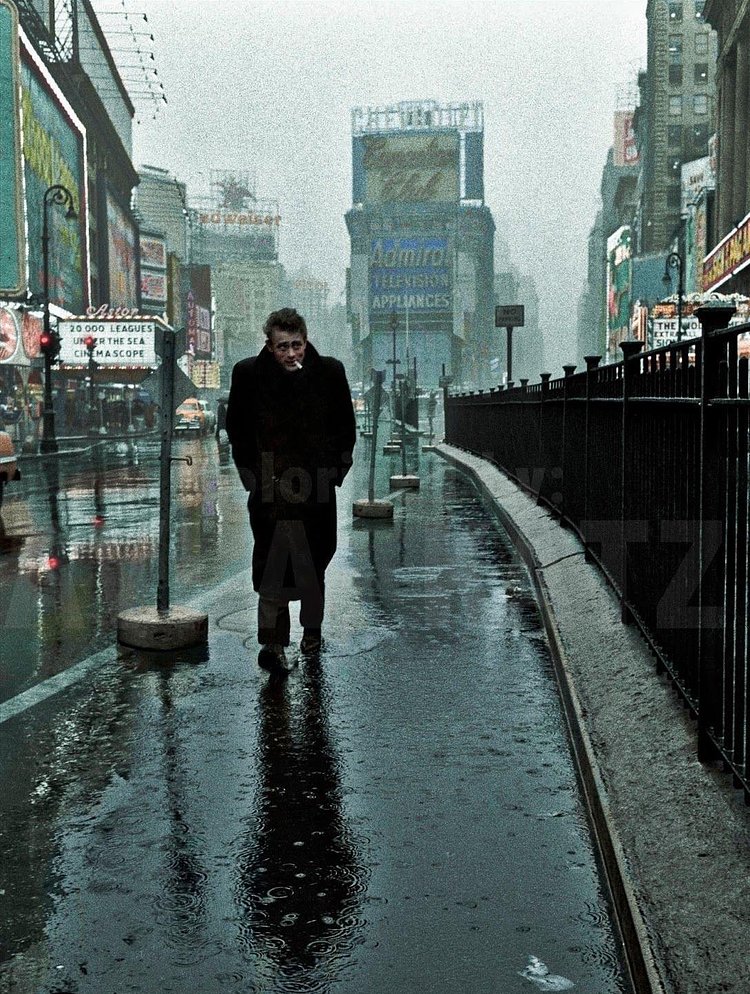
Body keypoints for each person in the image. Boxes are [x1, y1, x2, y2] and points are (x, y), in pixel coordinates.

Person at [226, 308, 356, 672]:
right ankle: (273, 644)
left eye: (296, 345)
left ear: (306, 339)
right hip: (270, 491)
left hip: (315, 491)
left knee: (313, 563)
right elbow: (236, 429)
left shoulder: (329, 372)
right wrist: (252, 478)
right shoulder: (248, 374)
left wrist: (334, 474)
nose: (291, 354)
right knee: (272, 566)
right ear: (269, 346)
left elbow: (345, 427)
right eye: (282, 347)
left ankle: (311, 632)